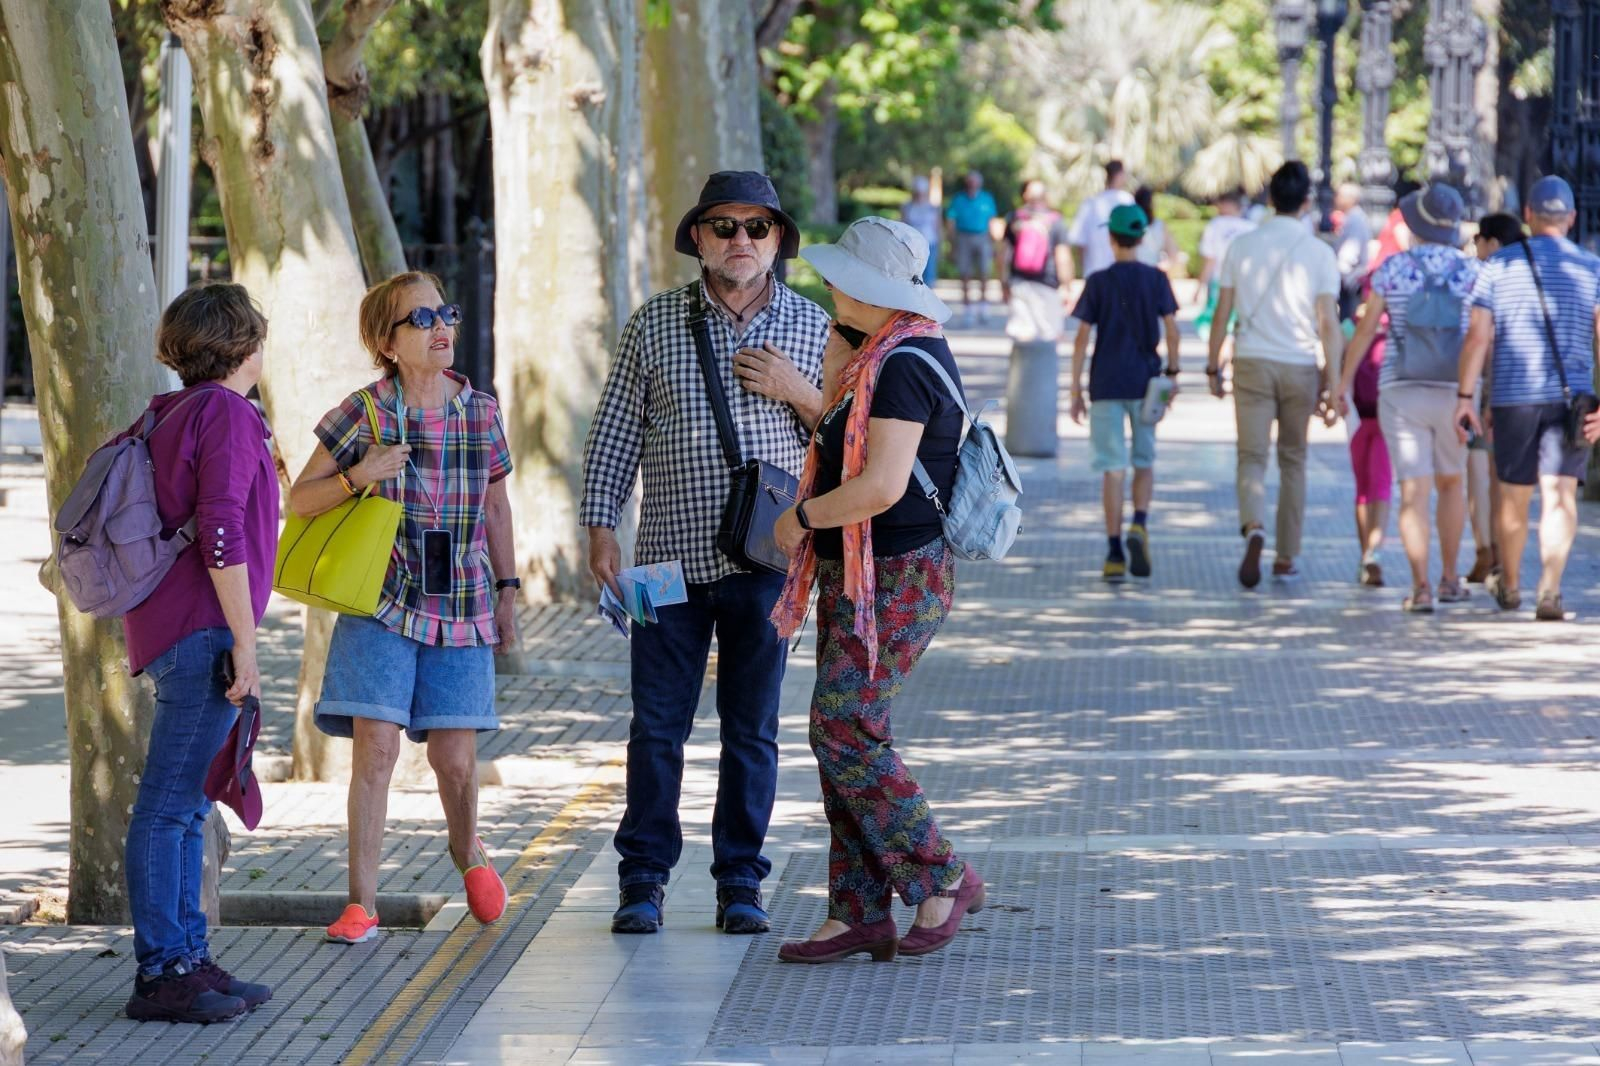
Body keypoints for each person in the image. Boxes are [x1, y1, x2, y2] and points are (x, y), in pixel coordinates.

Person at [580, 171, 829, 935]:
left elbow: (853, 438)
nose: (741, 242)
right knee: (656, 725)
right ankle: (643, 879)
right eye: (724, 227)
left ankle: (740, 883)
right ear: (697, 238)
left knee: (751, 728)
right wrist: (600, 528)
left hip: (770, 562)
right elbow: (616, 430)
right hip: (661, 562)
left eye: (758, 228)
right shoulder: (654, 324)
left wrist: (799, 390)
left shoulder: (815, 328)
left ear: (778, 240)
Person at [768, 217, 983, 964]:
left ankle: (942, 873)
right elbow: (837, 438)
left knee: (844, 726)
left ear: (873, 290)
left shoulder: (904, 363)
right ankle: (857, 911)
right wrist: (832, 366)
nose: (828, 286)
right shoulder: (874, 355)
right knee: (841, 731)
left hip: (895, 574)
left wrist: (799, 518)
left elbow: (882, 486)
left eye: (839, 277)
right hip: (859, 573)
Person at [292, 271, 520, 946]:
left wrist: (509, 593)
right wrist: (359, 475)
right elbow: (300, 500)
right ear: (385, 343)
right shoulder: (364, 411)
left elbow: (498, 505)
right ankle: (361, 903)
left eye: (443, 313)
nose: (440, 327)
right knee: (378, 752)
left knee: (455, 760)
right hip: (380, 600)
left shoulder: (480, 410)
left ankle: (467, 852)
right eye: (419, 320)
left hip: (464, 598)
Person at [122, 283, 277, 1023]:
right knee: (168, 807)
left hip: (177, 626)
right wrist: (246, 642)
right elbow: (219, 529)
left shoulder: (175, 409)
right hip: (201, 629)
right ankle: (161, 973)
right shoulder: (223, 411)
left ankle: (187, 956)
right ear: (246, 342)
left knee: (187, 810)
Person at [1457, 176, 1600, 621]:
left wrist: (1465, 395)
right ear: (1572, 218)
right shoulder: (1592, 268)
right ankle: (1551, 591)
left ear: (1529, 217)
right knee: (1560, 495)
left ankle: (1513, 584)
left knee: (1513, 495)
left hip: (1513, 397)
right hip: (1572, 400)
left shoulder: (1498, 266)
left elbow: (1478, 336)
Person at [1339, 184, 1479, 612]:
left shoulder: (1392, 269)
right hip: (1454, 391)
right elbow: (1481, 334)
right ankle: (1450, 578)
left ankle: (1420, 588)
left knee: (1413, 492)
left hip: (1400, 389)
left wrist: (1341, 382)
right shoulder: (1473, 272)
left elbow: (1365, 331)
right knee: (1452, 484)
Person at [1207, 161, 1343, 588]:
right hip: (1300, 366)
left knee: (1251, 456)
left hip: (1251, 360)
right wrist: (1334, 382)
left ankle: (1254, 526)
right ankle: (1286, 556)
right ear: (1305, 203)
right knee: (1293, 460)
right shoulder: (1320, 253)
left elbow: (1222, 312)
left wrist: (1213, 363)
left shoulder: (1242, 246)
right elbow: (1329, 324)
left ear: (1269, 199)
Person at [1069, 204, 1182, 581]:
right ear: (1142, 237)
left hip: (1105, 384)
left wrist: (1074, 388)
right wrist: (1173, 373)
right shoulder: (1157, 279)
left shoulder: (1098, 281)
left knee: (1112, 469)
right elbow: (1172, 329)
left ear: (1111, 237)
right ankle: (1140, 522)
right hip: (1148, 383)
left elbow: (1083, 338)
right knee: (1145, 459)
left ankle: (1115, 551)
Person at [1462, 212, 1526, 583]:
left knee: (1481, 474)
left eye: (1479, 241)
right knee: (1506, 480)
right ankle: (1500, 553)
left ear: (1493, 243)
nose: (1476, 249)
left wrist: (1475, 397)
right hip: (1529, 390)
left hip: (1494, 390)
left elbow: (1482, 341)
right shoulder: (1530, 273)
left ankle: (1488, 551)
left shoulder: (1490, 276)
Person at [1333, 276, 1393, 588]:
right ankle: (1374, 552)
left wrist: (1332, 390)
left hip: (1356, 415)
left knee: (1363, 487)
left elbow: (1334, 357)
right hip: (1388, 414)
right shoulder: (1396, 325)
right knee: (1382, 484)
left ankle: (1364, 555)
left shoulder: (1350, 327)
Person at [1000, 179, 1073, 349]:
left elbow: (1003, 254)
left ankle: (1023, 375)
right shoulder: (1056, 222)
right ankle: (1044, 375)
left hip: (1019, 283)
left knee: (1022, 336)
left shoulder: (1014, 219)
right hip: (1047, 285)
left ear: (1025, 196)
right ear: (1046, 197)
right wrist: (1066, 287)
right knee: (1048, 336)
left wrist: (1003, 282)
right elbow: (1062, 257)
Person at [1193, 190, 1255, 339]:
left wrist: (1199, 287)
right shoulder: (1251, 227)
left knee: (1217, 325)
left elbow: (1210, 260)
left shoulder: (1215, 225)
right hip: (1244, 284)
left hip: (1218, 282)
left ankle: (1217, 359)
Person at [944, 170, 999, 326]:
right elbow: (951, 221)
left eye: (975, 181)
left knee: (984, 272)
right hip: (963, 236)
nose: (972, 184)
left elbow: (991, 221)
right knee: (965, 273)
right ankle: (968, 308)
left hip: (982, 237)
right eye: (970, 181)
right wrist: (952, 242)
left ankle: (984, 306)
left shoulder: (986, 198)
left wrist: (994, 242)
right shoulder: (959, 199)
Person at [1068, 160, 1135, 283]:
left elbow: (1079, 243)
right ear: (1119, 174)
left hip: (1094, 273)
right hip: (1122, 275)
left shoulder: (1090, 203)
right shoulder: (1127, 201)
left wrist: (1084, 270)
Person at [1334, 183, 1374, 321]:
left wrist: (1340, 269)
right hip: (1350, 276)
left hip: (1350, 278)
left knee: (1347, 317)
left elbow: (1351, 251)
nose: (1336, 198)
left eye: (1339, 195)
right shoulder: (1353, 217)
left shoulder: (1355, 219)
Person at [901, 176, 942, 286]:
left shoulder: (933, 208)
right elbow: (903, 224)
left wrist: (940, 244)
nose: (919, 196)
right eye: (917, 193)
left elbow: (937, 227)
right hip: (911, 244)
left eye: (922, 193)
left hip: (930, 243)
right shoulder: (907, 207)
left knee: (929, 273)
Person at [1133, 186, 1183, 275]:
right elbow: (1174, 255)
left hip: (1132, 275)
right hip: (1153, 276)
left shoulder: (1129, 225)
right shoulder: (1159, 225)